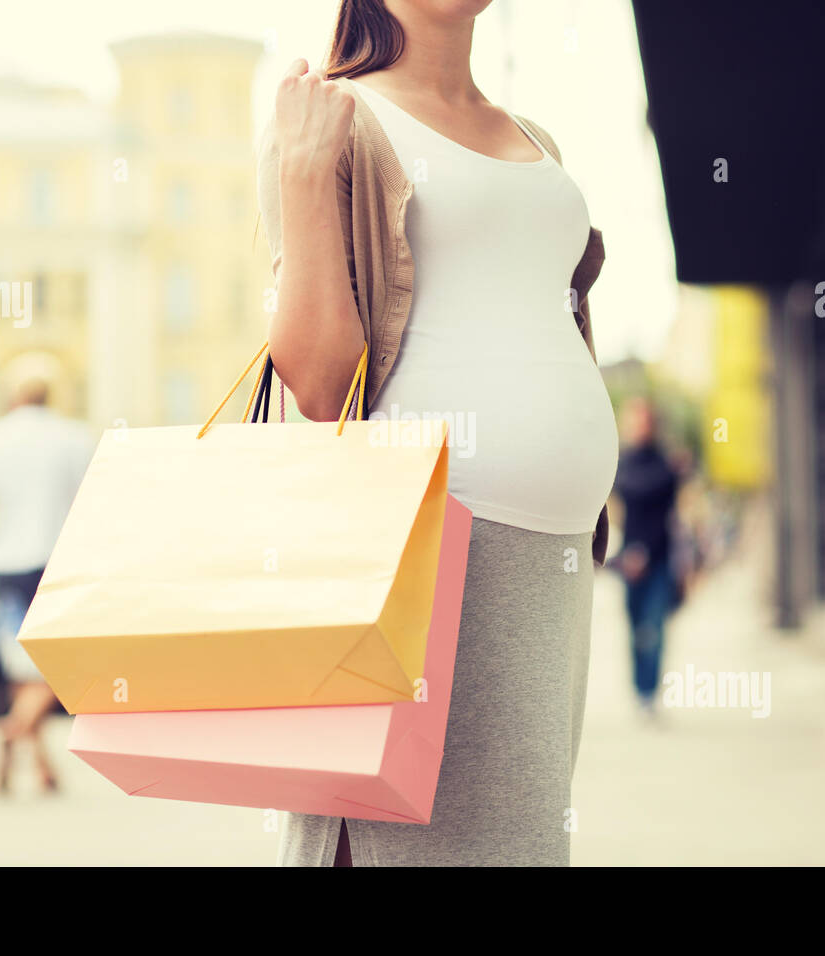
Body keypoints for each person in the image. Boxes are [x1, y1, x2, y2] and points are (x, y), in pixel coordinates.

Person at [259, 0, 617, 865]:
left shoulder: (533, 136)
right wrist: (304, 177)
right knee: (411, 839)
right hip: (430, 548)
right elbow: (316, 381)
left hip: (552, 552)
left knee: (516, 843)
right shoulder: (334, 117)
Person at [0, 374, 93, 794]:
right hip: (57, 563)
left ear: (13, 396)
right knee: (60, 667)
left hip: (6, 566)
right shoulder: (74, 436)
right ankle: (14, 730)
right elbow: (90, 503)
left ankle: (38, 765)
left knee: (22, 667)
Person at [613, 398, 679, 716]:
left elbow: (663, 517)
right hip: (629, 559)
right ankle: (639, 689)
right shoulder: (622, 463)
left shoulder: (665, 466)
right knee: (635, 625)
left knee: (653, 626)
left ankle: (649, 692)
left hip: (658, 558)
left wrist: (644, 553)